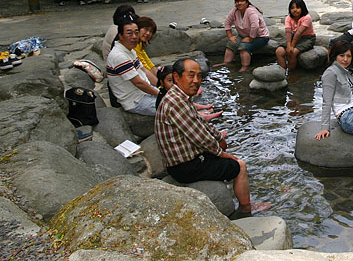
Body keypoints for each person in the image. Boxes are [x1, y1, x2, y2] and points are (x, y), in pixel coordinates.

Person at [155, 58, 270, 214]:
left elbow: (200, 124)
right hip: (185, 166)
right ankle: (246, 208)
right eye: (191, 75)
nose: (196, 81)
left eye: (199, 76)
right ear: (176, 76)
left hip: (186, 159)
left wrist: (219, 137)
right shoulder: (176, 102)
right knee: (239, 166)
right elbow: (199, 136)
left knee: (223, 151)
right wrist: (222, 153)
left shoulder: (178, 97)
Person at [106, 17, 160, 115]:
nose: (134, 36)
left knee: (178, 99)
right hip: (136, 101)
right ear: (120, 36)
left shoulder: (130, 50)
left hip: (143, 93)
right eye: (129, 33)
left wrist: (161, 87)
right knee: (174, 108)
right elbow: (138, 83)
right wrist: (161, 95)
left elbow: (145, 70)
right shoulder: (119, 56)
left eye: (136, 32)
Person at [223, 0, 270, 72]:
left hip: (260, 37)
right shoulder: (235, 11)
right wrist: (230, 36)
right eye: (237, 1)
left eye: (242, 1)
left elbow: (255, 26)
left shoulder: (251, 11)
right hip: (243, 35)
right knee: (231, 44)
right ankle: (226, 63)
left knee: (243, 47)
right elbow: (227, 22)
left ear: (247, 2)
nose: (239, 3)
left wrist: (251, 38)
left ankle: (245, 67)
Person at [275, 0, 316, 71]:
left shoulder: (307, 18)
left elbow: (299, 33)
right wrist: (288, 46)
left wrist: (291, 46)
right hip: (293, 37)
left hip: (308, 38)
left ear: (302, 8)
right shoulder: (288, 18)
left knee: (292, 52)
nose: (295, 10)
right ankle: (282, 71)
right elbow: (288, 32)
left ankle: (291, 72)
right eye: (292, 8)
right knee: (279, 51)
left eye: (298, 7)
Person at [134, 16, 158, 86]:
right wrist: (160, 85)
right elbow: (144, 68)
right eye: (146, 29)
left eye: (151, 31)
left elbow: (149, 63)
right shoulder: (133, 45)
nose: (148, 33)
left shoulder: (140, 43)